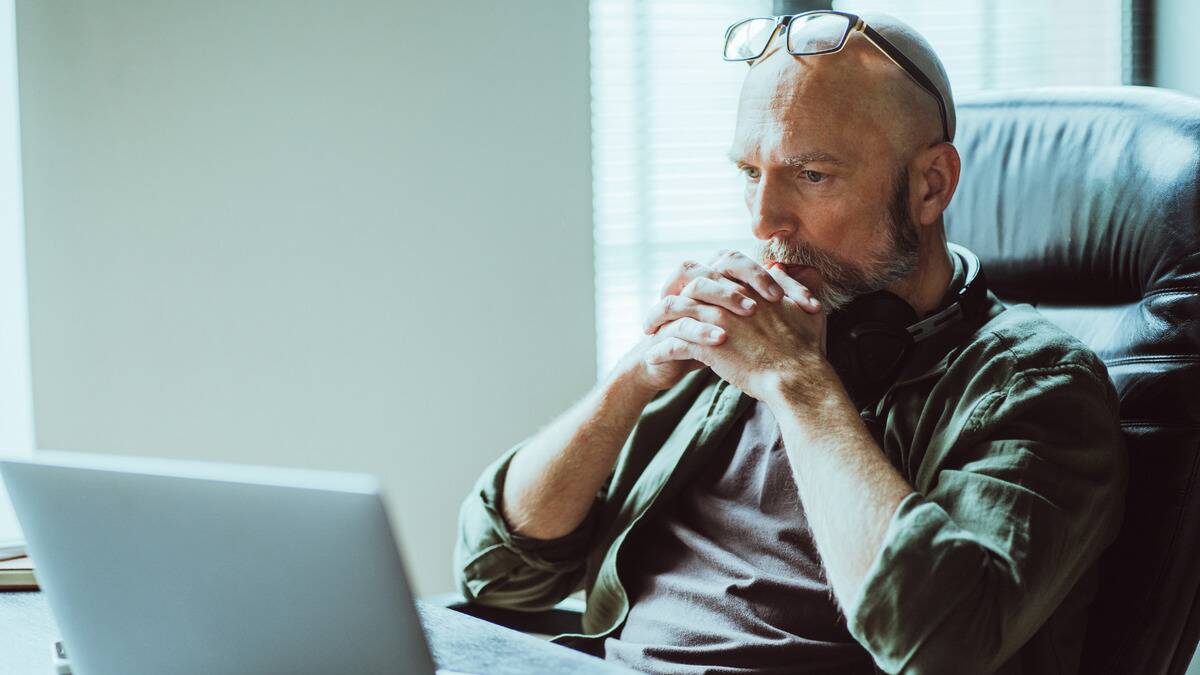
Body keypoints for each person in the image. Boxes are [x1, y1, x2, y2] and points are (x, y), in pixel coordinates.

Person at [454, 10, 1126, 674]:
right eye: (750, 171)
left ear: (931, 185)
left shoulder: (1037, 385)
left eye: (811, 175)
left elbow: (938, 640)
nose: (764, 219)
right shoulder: (734, 337)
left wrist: (798, 385)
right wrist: (637, 374)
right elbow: (497, 571)